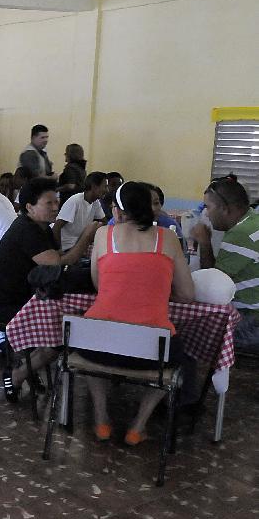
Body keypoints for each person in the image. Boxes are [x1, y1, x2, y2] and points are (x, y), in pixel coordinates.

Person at [84, 181, 196, 445]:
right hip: (151, 352)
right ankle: (138, 425)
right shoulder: (168, 238)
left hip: (99, 345)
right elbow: (187, 294)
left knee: (88, 339)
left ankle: (101, 417)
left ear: (118, 211)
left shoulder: (103, 236)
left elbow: (99, 285)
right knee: (179, 356)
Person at [0, 178, 98, 400]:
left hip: (28, 297)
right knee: (59, 336)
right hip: (7, 304)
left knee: (65, 321)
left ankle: (27, 368)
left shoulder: (40, 228)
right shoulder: (25, 230)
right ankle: (19, 374)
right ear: (29, 207)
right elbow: (58, 265)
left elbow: (58, 260)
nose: (56, 207)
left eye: (57, 202)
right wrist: (86, 237)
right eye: (49, 203)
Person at [191, 178, 259, 353]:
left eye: (208, 207)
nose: (205, 214)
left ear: (225, 209)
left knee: (184, 329)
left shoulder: (240, 234)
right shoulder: (253, 221)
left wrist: (204, 242)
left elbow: (213, 287)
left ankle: (187, 377)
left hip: (251, 321)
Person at [53, 171, 108, 252]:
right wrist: (59, 251)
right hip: (65, 247)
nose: (107, 190)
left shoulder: (95, 202)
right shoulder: (75, 201)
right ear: (94, 187)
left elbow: (104, 223)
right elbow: (56, 227)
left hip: (77, 246)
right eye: (105, 186)